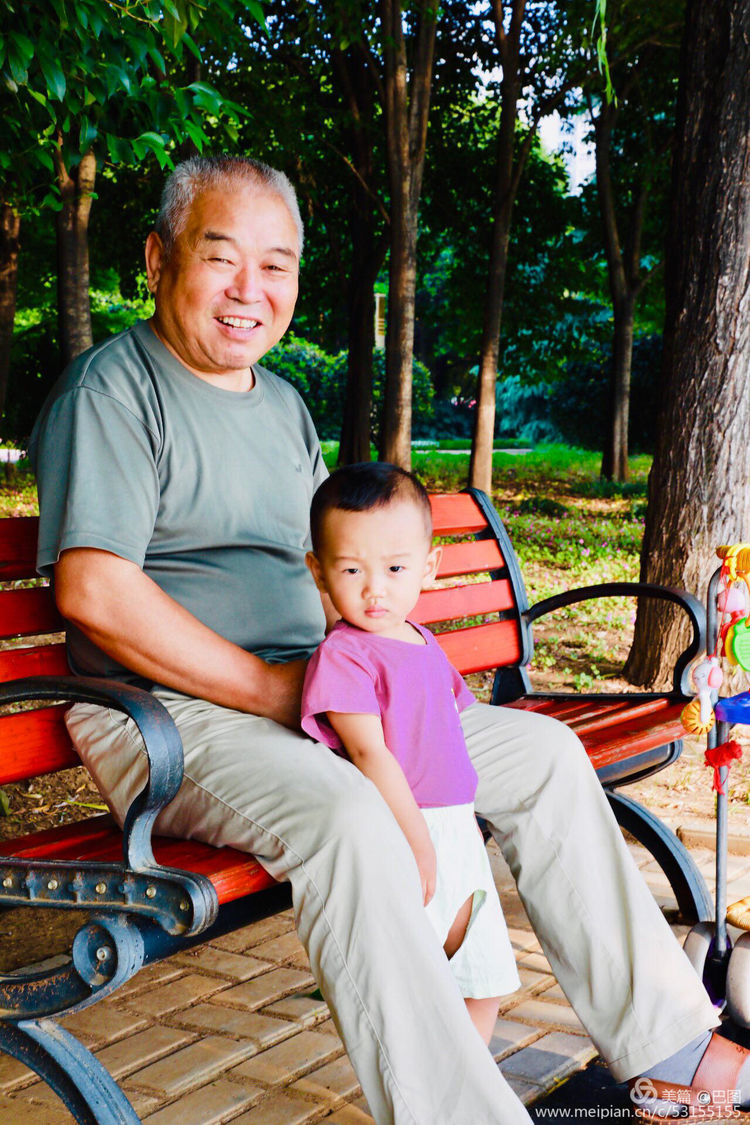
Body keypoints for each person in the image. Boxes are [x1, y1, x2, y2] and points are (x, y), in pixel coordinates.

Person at [29, 153, 750, 1124]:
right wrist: (281, 690)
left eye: (277, 265)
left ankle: (671, 1050)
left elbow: (335, 567)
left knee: (541, 753)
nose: (252, 290)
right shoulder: (113, 392)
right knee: (353, 816)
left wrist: (397, 664)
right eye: (222, 257)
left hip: (323, 688)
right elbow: (96, 592)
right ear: (160, 260)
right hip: (175, 717)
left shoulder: (281, 405)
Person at [301, 462, 521, 1046]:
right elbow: (369, 754)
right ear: (319, 572)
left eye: (395, 568)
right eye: (351, 570)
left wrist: (465, 821)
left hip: (453, 824)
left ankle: (465, 1088)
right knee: (414, 980)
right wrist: (418, 844)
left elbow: (453, 720)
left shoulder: (422, 641)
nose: (375, 589)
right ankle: (425, 1095)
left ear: (428, 566)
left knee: (483, 977)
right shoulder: (344, 656)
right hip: (403, 827)